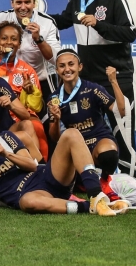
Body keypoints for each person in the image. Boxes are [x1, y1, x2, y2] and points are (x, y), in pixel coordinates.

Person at [0, 111, 127, 215]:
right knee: (29, 202)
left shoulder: (5, 137)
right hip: (30, 195)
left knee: (72, 134)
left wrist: (7, 154)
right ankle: (93, 207)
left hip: (47, 177)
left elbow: (32, 165)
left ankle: (96, 194)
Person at [51, 0, 136, 167]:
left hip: (115, 76)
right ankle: (97, 174)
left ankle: (130, 177)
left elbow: (131, 33)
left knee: (123, 128)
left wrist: (98, 24)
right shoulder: (77, 0)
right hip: (88, 79)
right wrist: (36, 17)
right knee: (92, 129)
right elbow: (62, 21)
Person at [47, 49, 126, 197]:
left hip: (98, 140)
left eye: (71, 64)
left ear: (80, 67)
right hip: (76, 148)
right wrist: (56, 119)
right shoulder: (54, 98)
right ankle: (82, 182)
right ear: (57, 70)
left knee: (109, 154)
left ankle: (104, 180)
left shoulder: (93, 89)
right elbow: (55, 138)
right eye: (62, 66)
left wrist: (114, 81)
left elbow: (121, 111)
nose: (67, 69)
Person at [0, 21, 48, 160]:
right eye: (4, 38)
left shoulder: (27, 70)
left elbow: (36, 107)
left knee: (36, 125)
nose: (9, 42)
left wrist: (31, 91)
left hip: (20, 118)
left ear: (19, 44)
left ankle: (41, 167)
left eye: (14, 39)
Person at [0, 0, 60, 91]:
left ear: (34, 3)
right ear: (12, 3)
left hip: (39, 81)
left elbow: (56, 59)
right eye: (18, 2)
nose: (23, 7)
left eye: (27, 2)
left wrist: (39, 39)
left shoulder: (47, 22)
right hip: (9, 80)